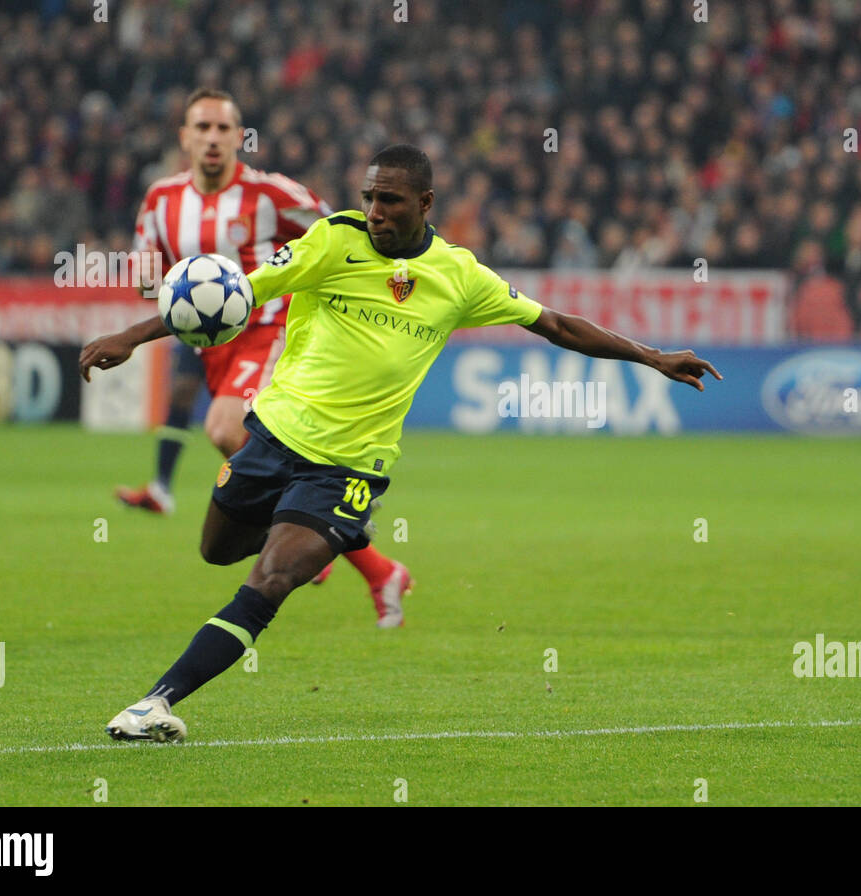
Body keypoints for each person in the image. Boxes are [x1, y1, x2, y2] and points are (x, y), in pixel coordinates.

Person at [81, 143, 722, 742]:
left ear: (425, 204)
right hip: (273, 438)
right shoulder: (332, 241)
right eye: (369, 197)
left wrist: (653, 356)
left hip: (348, 469)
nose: (375, 212)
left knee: (270, 581)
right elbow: (229, 294)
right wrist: (130, 337)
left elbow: (554, 323)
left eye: (389, 201)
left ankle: (156, 702)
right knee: (214, 551)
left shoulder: (458, 274)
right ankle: (333, 533)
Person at [113, 87, 412, 625]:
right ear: (184, 136)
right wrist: (172, 287)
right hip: (208, 345)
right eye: (201, 127)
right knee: (242, 443)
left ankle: (312, 525)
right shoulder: (161, 200)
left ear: (238, 137)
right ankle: (372, 563)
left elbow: (341, 234)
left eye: (223, 128)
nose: (212, 138)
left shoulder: (272, 194)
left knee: (226, 428)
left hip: (266, 329)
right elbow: (144, 275)